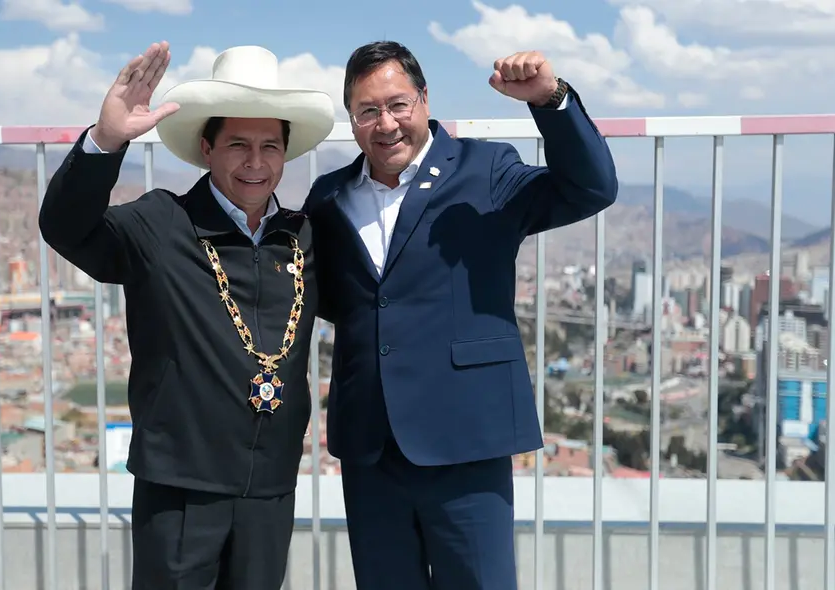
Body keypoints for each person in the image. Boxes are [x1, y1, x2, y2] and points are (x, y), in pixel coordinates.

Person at [302, 41, 617, 589]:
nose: (386, 124)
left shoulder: (484, 169)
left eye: (398, 104)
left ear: (424, 100)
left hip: (467, 436)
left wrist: (550, 99)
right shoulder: (329, 196)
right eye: (367, 110)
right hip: (370, 447)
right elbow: (327, 295)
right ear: (351, 119)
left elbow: (591, 187)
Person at [39, 42, 334, 590]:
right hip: (180, 488)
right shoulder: (160, 223)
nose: (255, 162)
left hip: (270, 487)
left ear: (285, 154)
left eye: (270, 146)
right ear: (206, 148)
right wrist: (106, 141)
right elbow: (65, 227)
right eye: (238, 144)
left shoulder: (305, 238)